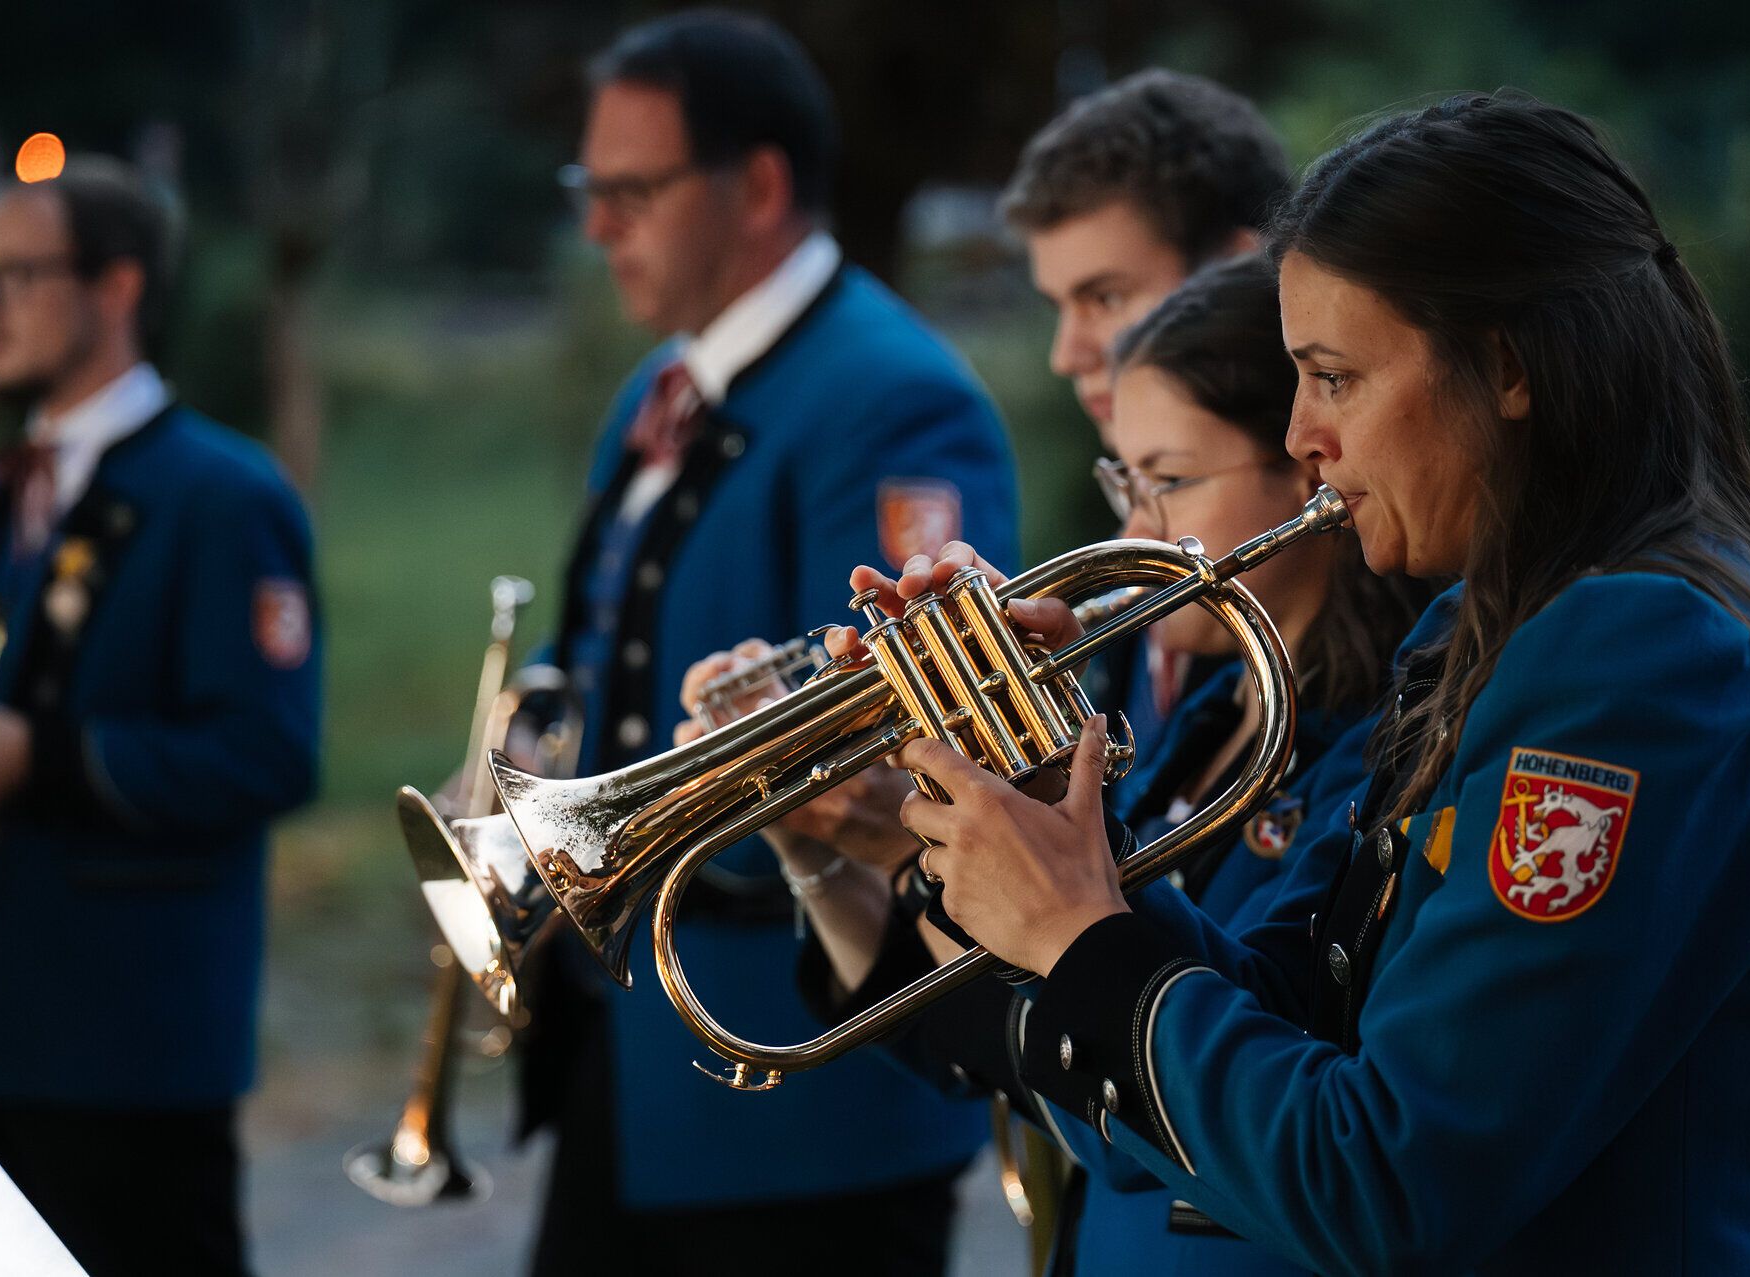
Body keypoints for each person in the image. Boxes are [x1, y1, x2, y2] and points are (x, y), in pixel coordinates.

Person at [855, 92, 1750, 1274]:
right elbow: (1287, 1013)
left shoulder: (1643, 659)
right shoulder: (1490, 623)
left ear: (1506, 364)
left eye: (1333, 375)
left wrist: (1081, 938)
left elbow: (1394, 1179)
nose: (1299, 436)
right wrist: (1036, 781)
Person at [681, 256, 1431, 1274]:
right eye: (1126, 482)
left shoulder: (1369, 747)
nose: (1135, 532)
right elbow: (987, 1032)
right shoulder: (1202, 721)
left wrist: (970, 848)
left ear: (1312, 470)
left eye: (1169, 481)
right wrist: (832, 834)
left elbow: (1145, 1044)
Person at [518, 12, 1018, 1276]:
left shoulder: (894, 392)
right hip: (641, 1063)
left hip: (802, 1112)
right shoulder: (661, 389)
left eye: (629, 190)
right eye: (591, 190)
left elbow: (902, 737)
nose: (598, 226)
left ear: (758, 187)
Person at [0, 156, 321, 1275]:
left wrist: (40, 755)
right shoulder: (1, 493)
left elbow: (267, 751)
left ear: (116, 288)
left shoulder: (223, 491)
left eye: (19, 275)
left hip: (129, 1042)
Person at [1000, 68, 1291, 735]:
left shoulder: (1284, 566)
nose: (1066, 355)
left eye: (1105, 298)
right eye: (1059, 307)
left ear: (1236, 274)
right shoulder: (1130, 557)